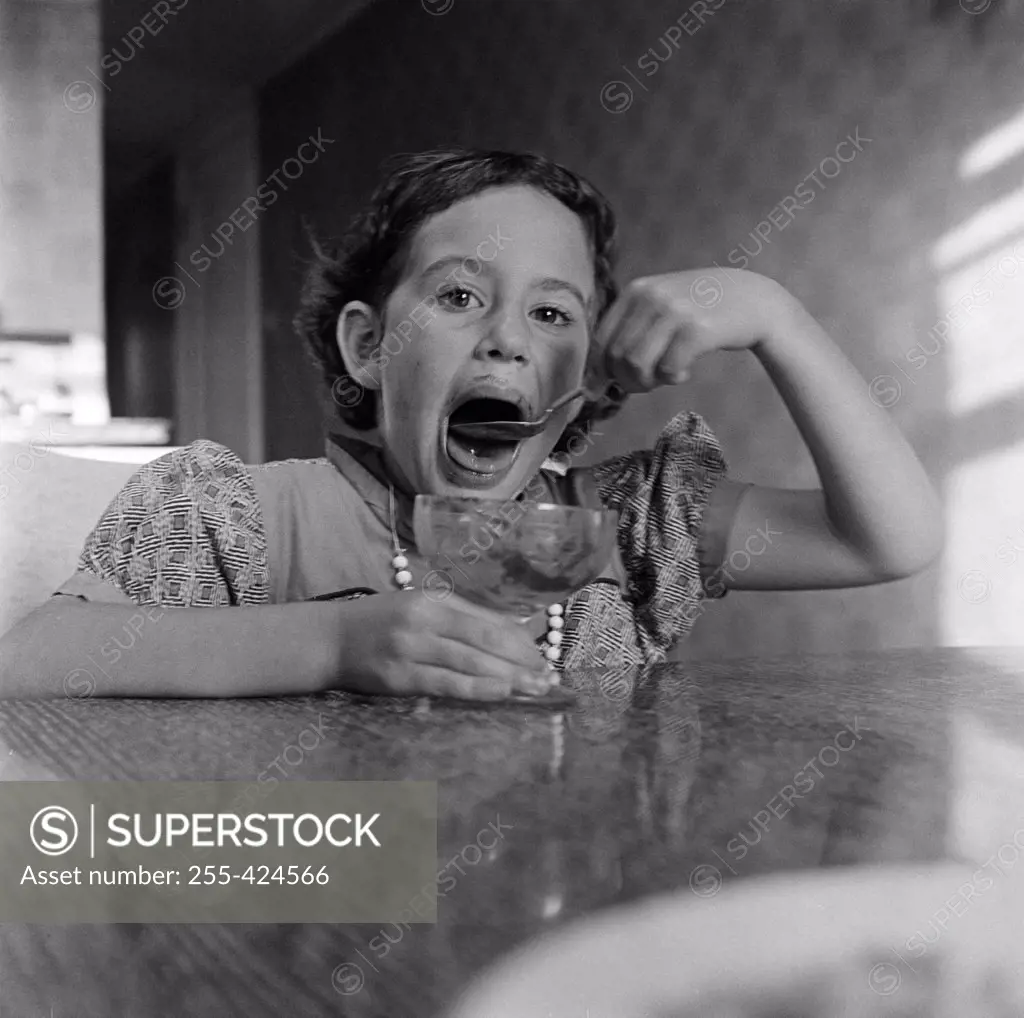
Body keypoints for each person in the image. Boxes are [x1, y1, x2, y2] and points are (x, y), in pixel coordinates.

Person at [0, 149, 942, 700]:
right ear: (370, 347)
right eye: (459, 295)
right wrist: (335, 645)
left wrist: (779, 319)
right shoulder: (242, 519)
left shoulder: (634, 525)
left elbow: (886, 541)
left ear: (591, 364)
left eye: (552, 313)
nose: (505, 341)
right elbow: (33, 657)